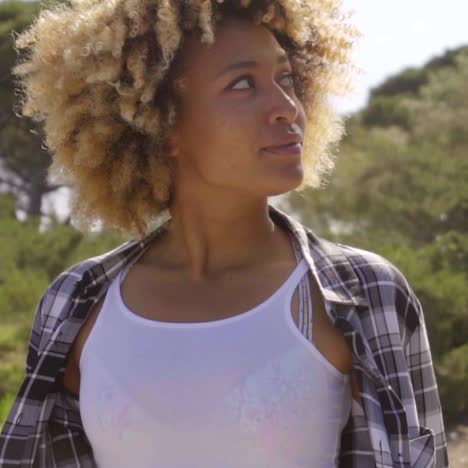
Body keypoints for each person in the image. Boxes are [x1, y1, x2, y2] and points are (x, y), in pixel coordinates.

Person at [0, 0, 449, 467]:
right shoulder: (78, 303)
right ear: (162, 124)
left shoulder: (362, 294)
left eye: (287, 79)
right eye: (242, 85)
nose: (286, 108)